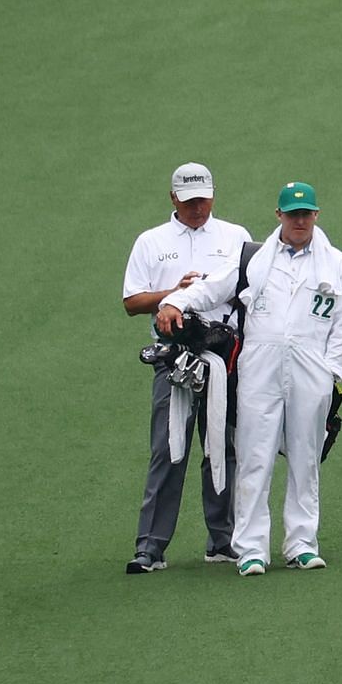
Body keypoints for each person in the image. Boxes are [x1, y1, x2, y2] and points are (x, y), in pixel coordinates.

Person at [157, 179, 342, 577]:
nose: (300, 220)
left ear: (316, 215)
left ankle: (302, 543)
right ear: (279, 215)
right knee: (253, 455)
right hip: (259, 366)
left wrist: (331, 376)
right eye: (293, 213)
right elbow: (213, 288)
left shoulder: (337, 264)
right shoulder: (252, 259)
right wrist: (175, 300)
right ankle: (250, 548)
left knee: (305, 457)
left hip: (310, 367)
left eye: (306, 213)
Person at [120, 162, 251, 572]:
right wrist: (174, 293)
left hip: (224, 355)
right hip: (172, 355)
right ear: (174, 198)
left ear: (214, 195)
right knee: (168, 448)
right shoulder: (151, 241)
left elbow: (250, 290)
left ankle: (224, 541)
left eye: (204, 200)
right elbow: (132, 302)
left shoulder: (237, 238)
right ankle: (150, 547)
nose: (199, 208)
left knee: (224, 447)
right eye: (190, 201)